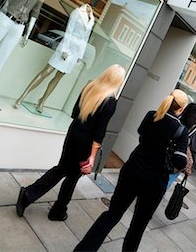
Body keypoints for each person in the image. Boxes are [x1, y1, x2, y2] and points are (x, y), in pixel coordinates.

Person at [74, 89, 189, 252]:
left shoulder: (152, 115)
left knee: (112, 213)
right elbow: (180, 160)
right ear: (181, 109)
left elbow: (141, 134)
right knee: (138, 226)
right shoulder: (181, 131)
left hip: (132, 170)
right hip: (154, 183)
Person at [15, 64, 126, 221]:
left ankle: (40, 201)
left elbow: (75, 112)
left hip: (73, 133)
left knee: (62, 169)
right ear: (117, 81)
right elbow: (99, 132)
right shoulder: (111, 101)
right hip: (86, 143)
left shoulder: (90, 85)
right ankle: (49, 207)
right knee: (71, 176)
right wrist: (92, 157)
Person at [14, 4, 94, 112]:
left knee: (58, 77)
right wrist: (65, 49)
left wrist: (79, 55)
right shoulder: (77, 12)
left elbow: (85, 38)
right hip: (67, 46)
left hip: (75, 52)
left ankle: (42, 101)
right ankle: (22, 96)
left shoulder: (91, 18)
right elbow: (69, 30)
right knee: (47, 71)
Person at [167, 102, 196, 208]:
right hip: (180, 159)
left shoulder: (178, 120)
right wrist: (191, 163)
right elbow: (195, 148)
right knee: (169, 180)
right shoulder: (195, 130)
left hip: (168, 154)